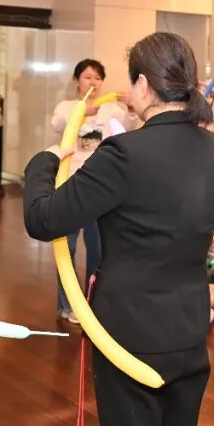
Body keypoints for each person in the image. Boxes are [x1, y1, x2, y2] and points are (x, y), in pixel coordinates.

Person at [24, 33, 214, 426]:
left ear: (144, 85)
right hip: (189, 327)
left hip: (129, 332)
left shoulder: (123, 153)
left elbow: (43, 220)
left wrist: (43, 163)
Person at [49, 58, 135, 324]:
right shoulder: (67, 107)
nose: (93, 83)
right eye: (88, 77)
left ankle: (92, 303)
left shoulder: (111, 110)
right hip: (70, 185)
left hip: (100, 187)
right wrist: (82, 111)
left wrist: (132, 109)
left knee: (99, 249)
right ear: (77, 80)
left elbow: (128, 128)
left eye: (98, 78)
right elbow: (57, 124)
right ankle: (67, 305)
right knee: (67, 249)